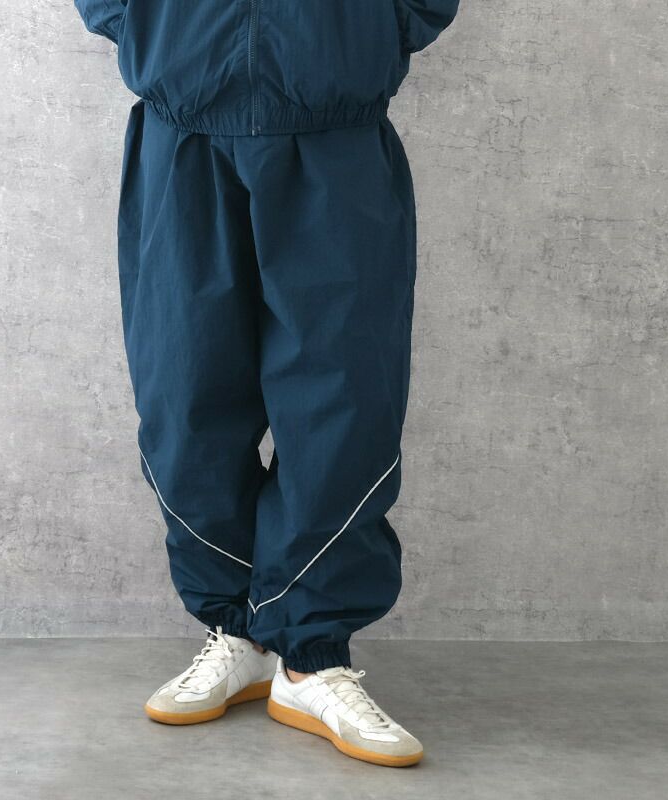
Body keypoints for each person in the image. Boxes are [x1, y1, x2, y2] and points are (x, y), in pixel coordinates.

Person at [73, 0, 460, 768]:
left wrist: (377, 29)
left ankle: (312, 657)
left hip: (336, 135)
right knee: (183, 395)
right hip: (183, 131)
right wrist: (150, 27)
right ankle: (238, 633)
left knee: (343, 401)